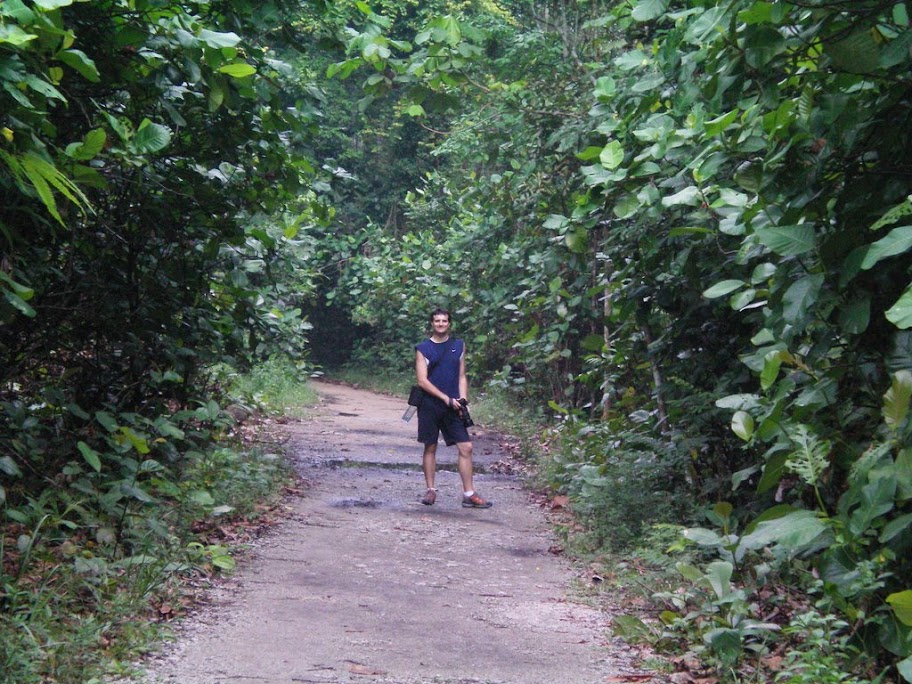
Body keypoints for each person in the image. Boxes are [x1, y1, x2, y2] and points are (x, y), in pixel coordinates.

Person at [414, 308, 492, 509]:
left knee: (466, 447)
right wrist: (445, 398)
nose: (441, 324)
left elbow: (461, 375)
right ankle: (431, 490)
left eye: (444, 321)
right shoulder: (423, 348)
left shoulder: (458, 345)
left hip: (454, 407)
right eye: (437, 321)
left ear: (449, 323)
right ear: (432, 324)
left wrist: (462, 398)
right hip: (430, 405)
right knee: (430, 446)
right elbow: (422, 381)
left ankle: (469, 493)